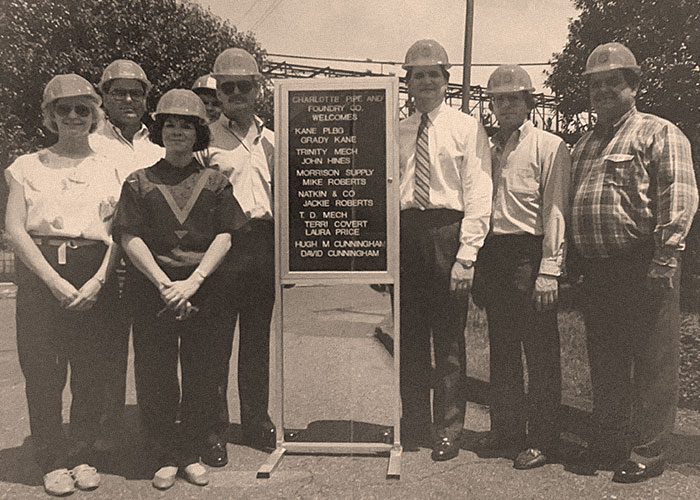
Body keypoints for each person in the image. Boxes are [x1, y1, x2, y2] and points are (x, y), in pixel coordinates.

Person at [569, 42, 698, 483]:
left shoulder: (659, 132)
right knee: (605, 361)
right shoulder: (583, 144)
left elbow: (677, 196)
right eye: (595, 84)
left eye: (613, 82)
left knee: (652, 361)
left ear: (633, 86)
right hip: (598, 269)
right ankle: (607, 442)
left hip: (644, 262)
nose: (603, 90)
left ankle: (649, 451)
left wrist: (666, 256)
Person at [112, 89, 247, 489]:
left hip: (204, 290)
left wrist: (193, 282)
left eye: (185, 125)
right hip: (154, 291)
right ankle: (165, 455)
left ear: (198, 132)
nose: (176, 131)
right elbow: (128, 236)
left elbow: (226, 235)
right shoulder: (138, 182)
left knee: (202, 374)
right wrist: (164, 283)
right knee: (156, 375)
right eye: (169, 124)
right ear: (158, 130)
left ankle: (190, 453)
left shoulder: (216, 182)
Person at [4, 74, 122, 496]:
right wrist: (53, 280)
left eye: (83, 109)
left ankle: (83, 452)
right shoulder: (26, 166)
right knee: (42, 372)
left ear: (94, 115)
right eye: (63, 109)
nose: (73, 116)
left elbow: (122, 231)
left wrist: (97, 282)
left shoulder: (112, 166)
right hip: (42, 275)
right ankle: (52, 460)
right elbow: (15, 229)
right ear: (49, 116)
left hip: (95, 272)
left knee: (91, 371)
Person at [471, 65, 570, 469]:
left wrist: (549, 269)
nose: (505, 105)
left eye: (513, 98)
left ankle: (544, 438)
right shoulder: (489, 148)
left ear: (529, 101)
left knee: (540, 352)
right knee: (504, 350)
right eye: (498, 99)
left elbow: (555, 211)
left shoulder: (551, 146)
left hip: (531, 256)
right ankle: (507, 430)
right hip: (495, 257)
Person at [398, 39, 492, 461]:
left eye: (434, 74)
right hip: (405, 233)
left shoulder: (466, 127)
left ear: (446, 80)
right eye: (418, 75)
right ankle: (414, 423)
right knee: (409, 338)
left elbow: (478, 191)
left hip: (446, 231)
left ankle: (449, 428)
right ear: (409, 83)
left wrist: (466, 254)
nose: (426, 82)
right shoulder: (395, 127)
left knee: (449, 341)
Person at [196, 47, 276, 467]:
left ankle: (256, 421)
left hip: (263, 244)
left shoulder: (275, 141)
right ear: (218, 92)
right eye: (227, 87)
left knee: (256, 342)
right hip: (221, 245)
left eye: (244, 85)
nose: (236, 93)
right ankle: (214, 431)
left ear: (258, 89)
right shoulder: (205, 139)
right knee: (216, 344)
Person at [88, 59, 163, 449]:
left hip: (151, 261)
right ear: (104, 97)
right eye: (119, 92)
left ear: (147, 97)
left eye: (137, 92)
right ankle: (106, 433)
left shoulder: (159, 144)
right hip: (107, 261)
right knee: (108, 351)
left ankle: (155, 432)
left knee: (152, 349)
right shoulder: (89, 142)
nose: (129, 99)